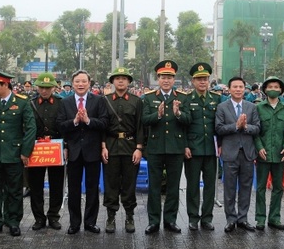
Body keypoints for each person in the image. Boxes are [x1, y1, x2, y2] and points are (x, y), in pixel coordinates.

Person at [0, 67, 36, 237]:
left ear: (5, 85)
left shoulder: (22, 102)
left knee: (14, 190)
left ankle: (13, 221)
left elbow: (31, 128)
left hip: (14, 154)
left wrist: (25, 152)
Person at [57, 70, 109, 235]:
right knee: (73, 189)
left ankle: (90, 222)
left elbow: (104, 123)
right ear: (73, 84)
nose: (80, 84)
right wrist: (74, 122)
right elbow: (59, 126)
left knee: (92, 188)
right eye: (77, 82)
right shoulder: (65, 102)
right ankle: (74, 223)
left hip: (92, 151)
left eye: (84, 82)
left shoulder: (99, 100)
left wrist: (87, 121)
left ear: (89, 83)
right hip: (73, 152)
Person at [142, 60, 191, 234]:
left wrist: (178, 114)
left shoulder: (182, 97)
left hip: (175, 148)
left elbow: (188, 121)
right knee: (154, 187)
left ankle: (170, 220)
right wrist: (158, 114)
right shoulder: (148, 97)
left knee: (173, 186)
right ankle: (153, 221)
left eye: (170, 77)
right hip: (155, 148)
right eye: (163, 77)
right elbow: (144, 120)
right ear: (158, 78)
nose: (166, 80)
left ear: (174, 79)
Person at [215, 76, 260, 232]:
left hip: (247, 153)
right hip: (230, 153)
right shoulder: (222, 107)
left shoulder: (251, 107)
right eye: (235, 87)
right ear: (229, 89)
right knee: (229, 188)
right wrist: (236, 125)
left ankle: (243, 218)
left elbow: (257, 128)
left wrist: (245, 126)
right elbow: (219, 128)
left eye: (241, 87)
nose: (238, 89)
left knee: (246, 187)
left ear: (244, 89)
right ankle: (230, 219)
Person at [102, 67, 144, 234]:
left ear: (128, 82)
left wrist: (139, 148)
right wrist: (102, 146)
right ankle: (110, 216)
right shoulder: (105, 101)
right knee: (110, 184)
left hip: (129, 147)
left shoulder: (136, 101)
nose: (120, 81)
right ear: (112, 82)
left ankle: (129, 216)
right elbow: (102, 127)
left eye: (124, 78)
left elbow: (141, 126)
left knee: (129, 184)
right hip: (110, 147)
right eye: (117, 78)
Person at [183, 62, 220, 231]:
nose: (202, 82)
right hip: (193, 149)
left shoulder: (217, 99)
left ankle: (207, 218)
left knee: (210, 185)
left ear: (209, 80)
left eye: (205, 79)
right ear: (193, 81)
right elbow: (181, 126)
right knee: (192, 185)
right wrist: (185, 146)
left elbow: (220, 125)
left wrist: (221, 145)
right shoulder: (186, 99)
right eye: (199, 79)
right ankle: (193, 217)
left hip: (211, 150)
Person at [254, 76, 284, 231]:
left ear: (281, 90)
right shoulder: (258, 108)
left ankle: (274, 218)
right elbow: (255, 131)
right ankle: (260, 219)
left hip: (279, 154)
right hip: (263, 154)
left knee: (278, 188)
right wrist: (259, 147)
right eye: (270, 86)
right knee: (261, 188)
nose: (274, 89)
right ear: (265, 90)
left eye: (277, 87)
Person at [27, 72, 65, 231]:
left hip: (56, 148)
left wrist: (66, 147)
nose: (44, 91)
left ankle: (54, 216)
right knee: (35, 185)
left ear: (54, 88)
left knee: (57, 184)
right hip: (36, 149)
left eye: (48, 88)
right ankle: (39, 218)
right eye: (42, 87)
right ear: (37, 87)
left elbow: (66, 126)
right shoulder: (30, 103)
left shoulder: (62, 103)